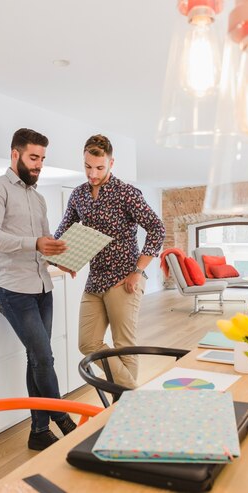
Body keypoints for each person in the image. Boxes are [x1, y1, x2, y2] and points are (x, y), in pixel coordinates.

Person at [0, 128, 76, 451]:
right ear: (15, 154)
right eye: (34, 158)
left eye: (42, 159)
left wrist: (64, 259)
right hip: (11, 287)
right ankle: (63, 419)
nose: (38, 165)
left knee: (37, 358)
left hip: (41, 286)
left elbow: (44, 244)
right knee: (44, 356)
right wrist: (33, 242)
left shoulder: (38, 198)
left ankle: (38, 431)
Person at [54, 134, 165, 389]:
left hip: (124, 279)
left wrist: (138, 271)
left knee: (124, 345)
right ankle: (133, 394)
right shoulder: (78, 195)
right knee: (87, 343)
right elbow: (63, 233)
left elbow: (157, 229)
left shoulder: (126, 193)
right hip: (95, 280)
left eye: (99, 168)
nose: (92, 174)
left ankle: (122, 401)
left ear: (111, 163)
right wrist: (63, 259)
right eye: (87, 167)